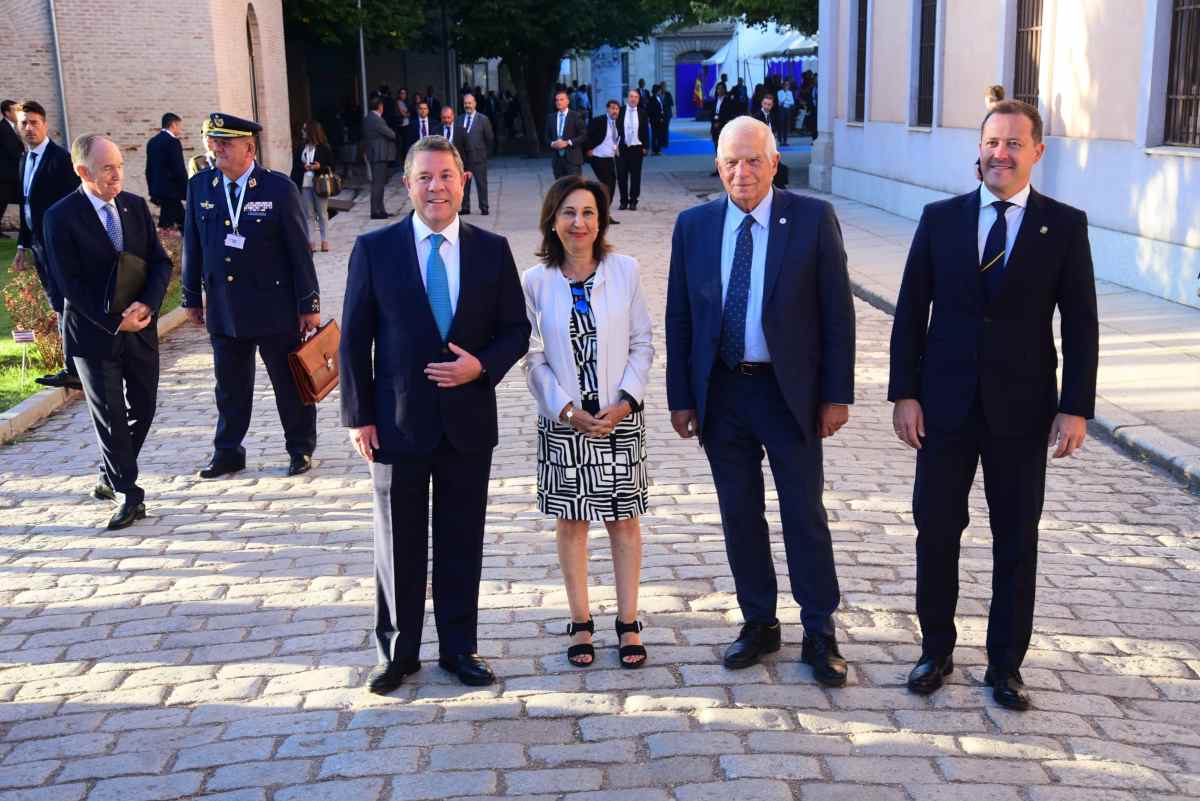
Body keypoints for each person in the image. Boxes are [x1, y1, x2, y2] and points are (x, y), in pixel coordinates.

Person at [890, 100, 1099, 711]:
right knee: (936, 530)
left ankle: (1006, 665)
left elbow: (1081, 324)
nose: (1000, 153)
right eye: (991, 142)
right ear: (977, 150)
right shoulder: (940, 219)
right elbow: (910, 312)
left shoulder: (1063, 226)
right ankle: (935, 649)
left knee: (1016, 538)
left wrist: (1075, 406)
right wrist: (905, 392)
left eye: (1013, 143)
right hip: (943, 408)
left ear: (1036, 152)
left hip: (1023, 410)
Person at [665, 116, 856, 687]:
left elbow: (837, 313)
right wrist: (681, 396)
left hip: (788, 393)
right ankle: (759, 620)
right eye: (730, 162)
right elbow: (681, 317)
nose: (741, 172)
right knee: (739, 513)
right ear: (717, 166)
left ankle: (820, 629)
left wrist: (836, 395)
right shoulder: (694, 226)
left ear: (774, 163)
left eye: (753, 160)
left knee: (803, 513)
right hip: (723, 392)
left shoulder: (811, 219)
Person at [340, 135, 530, 693]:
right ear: (407, 185)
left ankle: (459, 647)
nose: (436, 187)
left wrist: (482, 366)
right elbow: (355, 340)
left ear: (463, 180)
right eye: (424, 177)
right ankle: (397, 652)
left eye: (446, 176)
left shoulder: (492, 250)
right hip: (396, 424)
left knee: (461, 537)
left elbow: (516, 330)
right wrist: (359, 416)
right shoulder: (375, 250)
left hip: (469, 422)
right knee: (397, 542)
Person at [522, 175, 653, 668]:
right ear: (552, 222)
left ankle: (628, 621)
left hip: (619, 418)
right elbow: (532, 357)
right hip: (564, 422)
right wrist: (567, 411)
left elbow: (643, 342)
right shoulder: (535, 282)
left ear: (601, 221)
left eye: (589, 213)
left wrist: (625, 402)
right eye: (569, 213)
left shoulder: (625, 271)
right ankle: (580, 620)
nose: (580, 223)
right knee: (572, 522)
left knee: (623, 521)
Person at [43, 134, 173, 529]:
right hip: (94, 336)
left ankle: (110, 473)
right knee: (111, 416)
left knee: (145, 409)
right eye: (107, 168)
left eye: (119, 165)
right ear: (83, 171)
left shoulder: (133, 207)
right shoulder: (60, 217)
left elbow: (160, 262)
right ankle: (128, 493)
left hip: (141, 329)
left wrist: (147, 305)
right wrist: (115, 321)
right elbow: (69, 286)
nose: (117, 175)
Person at [181, 112, 321, 480]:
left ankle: (300, 447)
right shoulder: (200, 187)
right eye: (214, 142)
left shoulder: (277, 188)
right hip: (225, 306)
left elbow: (298, 249)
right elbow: (192, 245)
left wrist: (309, 304)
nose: (217, 149)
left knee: (288, 384)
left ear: (249, 147)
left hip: (274, 306)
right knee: (229, 387)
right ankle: (227, 451)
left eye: (225, 143)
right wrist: (191, 296)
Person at [13, 100, 82, 390]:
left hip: (60, 245)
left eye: (34, 122)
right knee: (57, 302)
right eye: (23, 123)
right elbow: (26, 205)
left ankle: (75, 367)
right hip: (39, 245)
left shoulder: (60, 159)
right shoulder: (24, 160)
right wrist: (21, 245)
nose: (29, 128)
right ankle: (72, 366)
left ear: (45, 124)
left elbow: (73, 202)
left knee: (67, 302)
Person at [290, 120, 335, 253]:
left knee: (322, 213)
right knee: (308, 214)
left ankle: (325, 240)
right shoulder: (300, 148)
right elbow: (295, 166)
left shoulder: (324, 148)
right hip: (304, 184)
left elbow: (331, 166)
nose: (302, 132)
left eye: (305, 130)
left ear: (311, 131)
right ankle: (311, 242)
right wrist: (303, 167)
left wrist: (319, 167)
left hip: (319, 183)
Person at [146, 113, 188, 230]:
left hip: (159, 191)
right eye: (179, 125)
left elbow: (149, 169)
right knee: (167, 225)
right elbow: (179, 169)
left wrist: (152, 190)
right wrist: (186, 191)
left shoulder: (152, 142)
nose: (180, 129)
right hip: (172, 192)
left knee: (183, 221)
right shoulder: (173, 142)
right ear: (173, 124)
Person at [584, 100, 622, 225]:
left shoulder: (618, 123)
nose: (614, 111)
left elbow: (617, 139)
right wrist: (588, 149)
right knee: (606, 186)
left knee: (611, 186)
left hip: (610, 158)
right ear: (607, 109)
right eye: (612, 108)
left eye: (616, 109)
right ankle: (602, 216)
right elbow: (588, 135)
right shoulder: (598, 120)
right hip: (598, 157)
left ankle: (604, 214)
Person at [458, 93, 494, 216]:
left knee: (481, 184)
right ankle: (465, 207)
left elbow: (489, 139)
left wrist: (485, 154)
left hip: (479, 157)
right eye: (465, 103)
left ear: (475, 104)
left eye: (470, 103)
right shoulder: (459, 119)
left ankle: (484, 207)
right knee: (464, 185)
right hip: (464, 159)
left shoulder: (483, 119)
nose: (467, 105)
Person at [363, 97, 397, 220]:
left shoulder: (369, 118)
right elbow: (391, 134)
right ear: (380, 106)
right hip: (379, 154)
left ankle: (381, 209)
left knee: (380, 183)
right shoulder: (376, 119)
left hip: (375, 154)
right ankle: (375, 211)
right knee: (378, 184)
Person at [616, 89, 650, 211]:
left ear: (638, 99)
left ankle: (633, 201)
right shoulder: (620, 111)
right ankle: (623, 201)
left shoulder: (642, 113)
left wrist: (646, 146)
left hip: (637, 148)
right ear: (627, 98)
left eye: (636, 97)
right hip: (622, 148)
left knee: (635, 176)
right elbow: (615, 129)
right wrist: (614, 146)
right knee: (621, 176)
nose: (633, 99)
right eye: (631, 96)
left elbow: (646, 131)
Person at [545, 90, 584, 179]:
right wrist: (552, 144)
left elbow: (583, 135)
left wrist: (568, 142)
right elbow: (546, 137)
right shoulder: (551, 117)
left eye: (561, 99)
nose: (559, 102)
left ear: (567, 101)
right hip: (557, 160)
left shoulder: (576, 116)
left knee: (573, 188)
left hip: (573, 160)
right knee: (560, 189)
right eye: (557, 100)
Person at [1, 100, 24, 236]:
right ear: (7, 113)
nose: (18, 113)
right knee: (2, 200)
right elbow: (12, 150)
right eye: (15, 110)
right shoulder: (3, 128)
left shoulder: (13, 127)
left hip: (12, 173)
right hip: (5, 174)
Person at [709, 84, 736, 176]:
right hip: (714, 127)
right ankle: (718, 169)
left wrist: (720, 122)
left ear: (725, 90)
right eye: (718, 89)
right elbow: (712, 113)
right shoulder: (715, 100)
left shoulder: (728, 101)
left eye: (721, 89)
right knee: (717, 149)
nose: (719, 90)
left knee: (725, 150)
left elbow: (729, 114)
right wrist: (714, 122)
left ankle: (727, 169)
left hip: (723, 126)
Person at [777, 81, 795, 145]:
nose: (787, 86)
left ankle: (785, 141)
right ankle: (780, 140)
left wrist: (785, 101)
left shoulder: (790, 92)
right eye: (785, 85)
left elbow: (792, 102)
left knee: (786, 125)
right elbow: (780, 101)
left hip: (787, 109)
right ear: (783, 85)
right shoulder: (779, 92)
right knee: (781, 125)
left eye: (788, 85)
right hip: (781, 109)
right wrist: (787, 98)